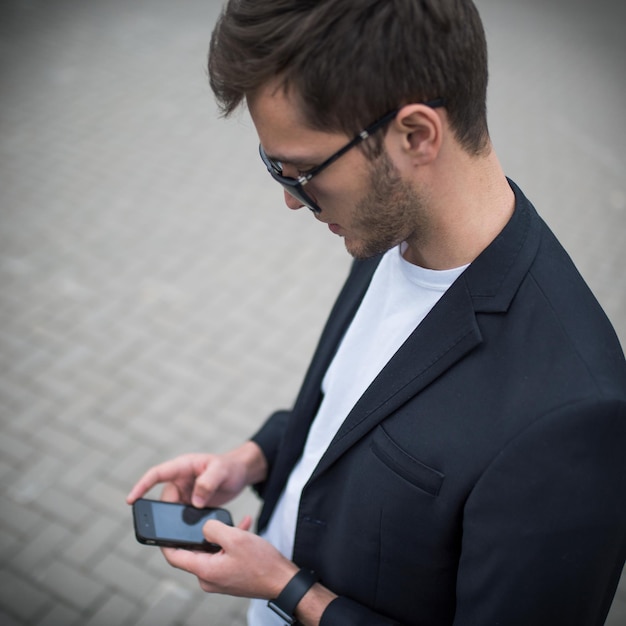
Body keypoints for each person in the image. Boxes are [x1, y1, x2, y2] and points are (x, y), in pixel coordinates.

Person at [127, 1, 626, 624]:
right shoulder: (385, 230)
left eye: (303, 172)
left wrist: (287, 588)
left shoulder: (574, 414)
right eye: (275, 169)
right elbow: (358, 408)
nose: (291, 200)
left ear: (414, 137)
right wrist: (256, 456)